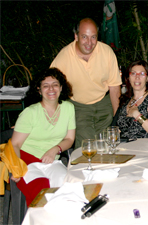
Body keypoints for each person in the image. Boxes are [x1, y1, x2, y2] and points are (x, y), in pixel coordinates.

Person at [50, 18, 122, 148]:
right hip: (79, 107)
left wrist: (117, 119)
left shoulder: (106, 52)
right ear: (76, 36)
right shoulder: (64, 56)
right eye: (84, 37)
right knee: (86, 147)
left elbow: (115, 88)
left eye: (93, 37)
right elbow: (50, 86)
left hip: (104, 103)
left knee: (107, 145)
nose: (89, 42)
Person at [10, 68, 76, 206]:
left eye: (55, 84)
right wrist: (16, 168)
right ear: (39, 90)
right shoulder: (30, 112)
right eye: (45, 85)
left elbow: (69, 139)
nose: (51, 88)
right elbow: (15, 144)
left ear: (61, 87)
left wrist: (55, 149)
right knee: (41, 189)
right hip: (26, 161)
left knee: (68, 186)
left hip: (51, 161)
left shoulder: (68, 108)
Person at [113, 60, 148, 139]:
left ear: (147, 78)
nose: (137, 77)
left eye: (142, 74)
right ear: (128, 78)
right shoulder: (125, 100)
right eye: (133, 73)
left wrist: (137, 115)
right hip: (124, 148)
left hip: (144, 149)